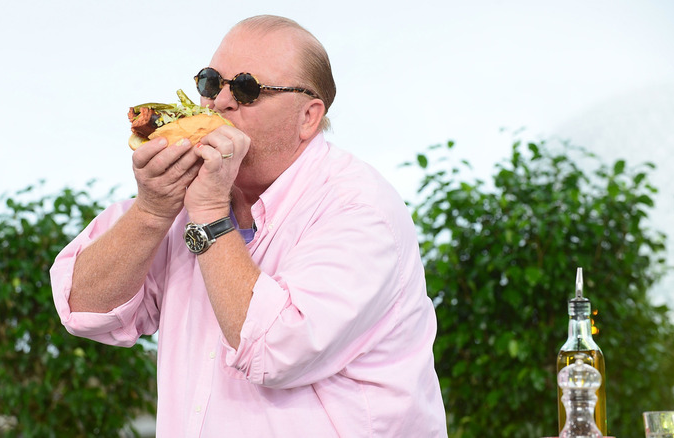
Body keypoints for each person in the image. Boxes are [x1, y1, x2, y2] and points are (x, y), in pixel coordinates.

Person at [50, 14, 447, 437]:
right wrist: (151, 211)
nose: (219, 102)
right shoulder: (186, 193)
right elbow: (83, 308)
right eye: (210, 82)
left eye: (246, 88)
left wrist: (208, 212)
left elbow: (275, 350)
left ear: (309, 117)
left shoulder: (359, 209)